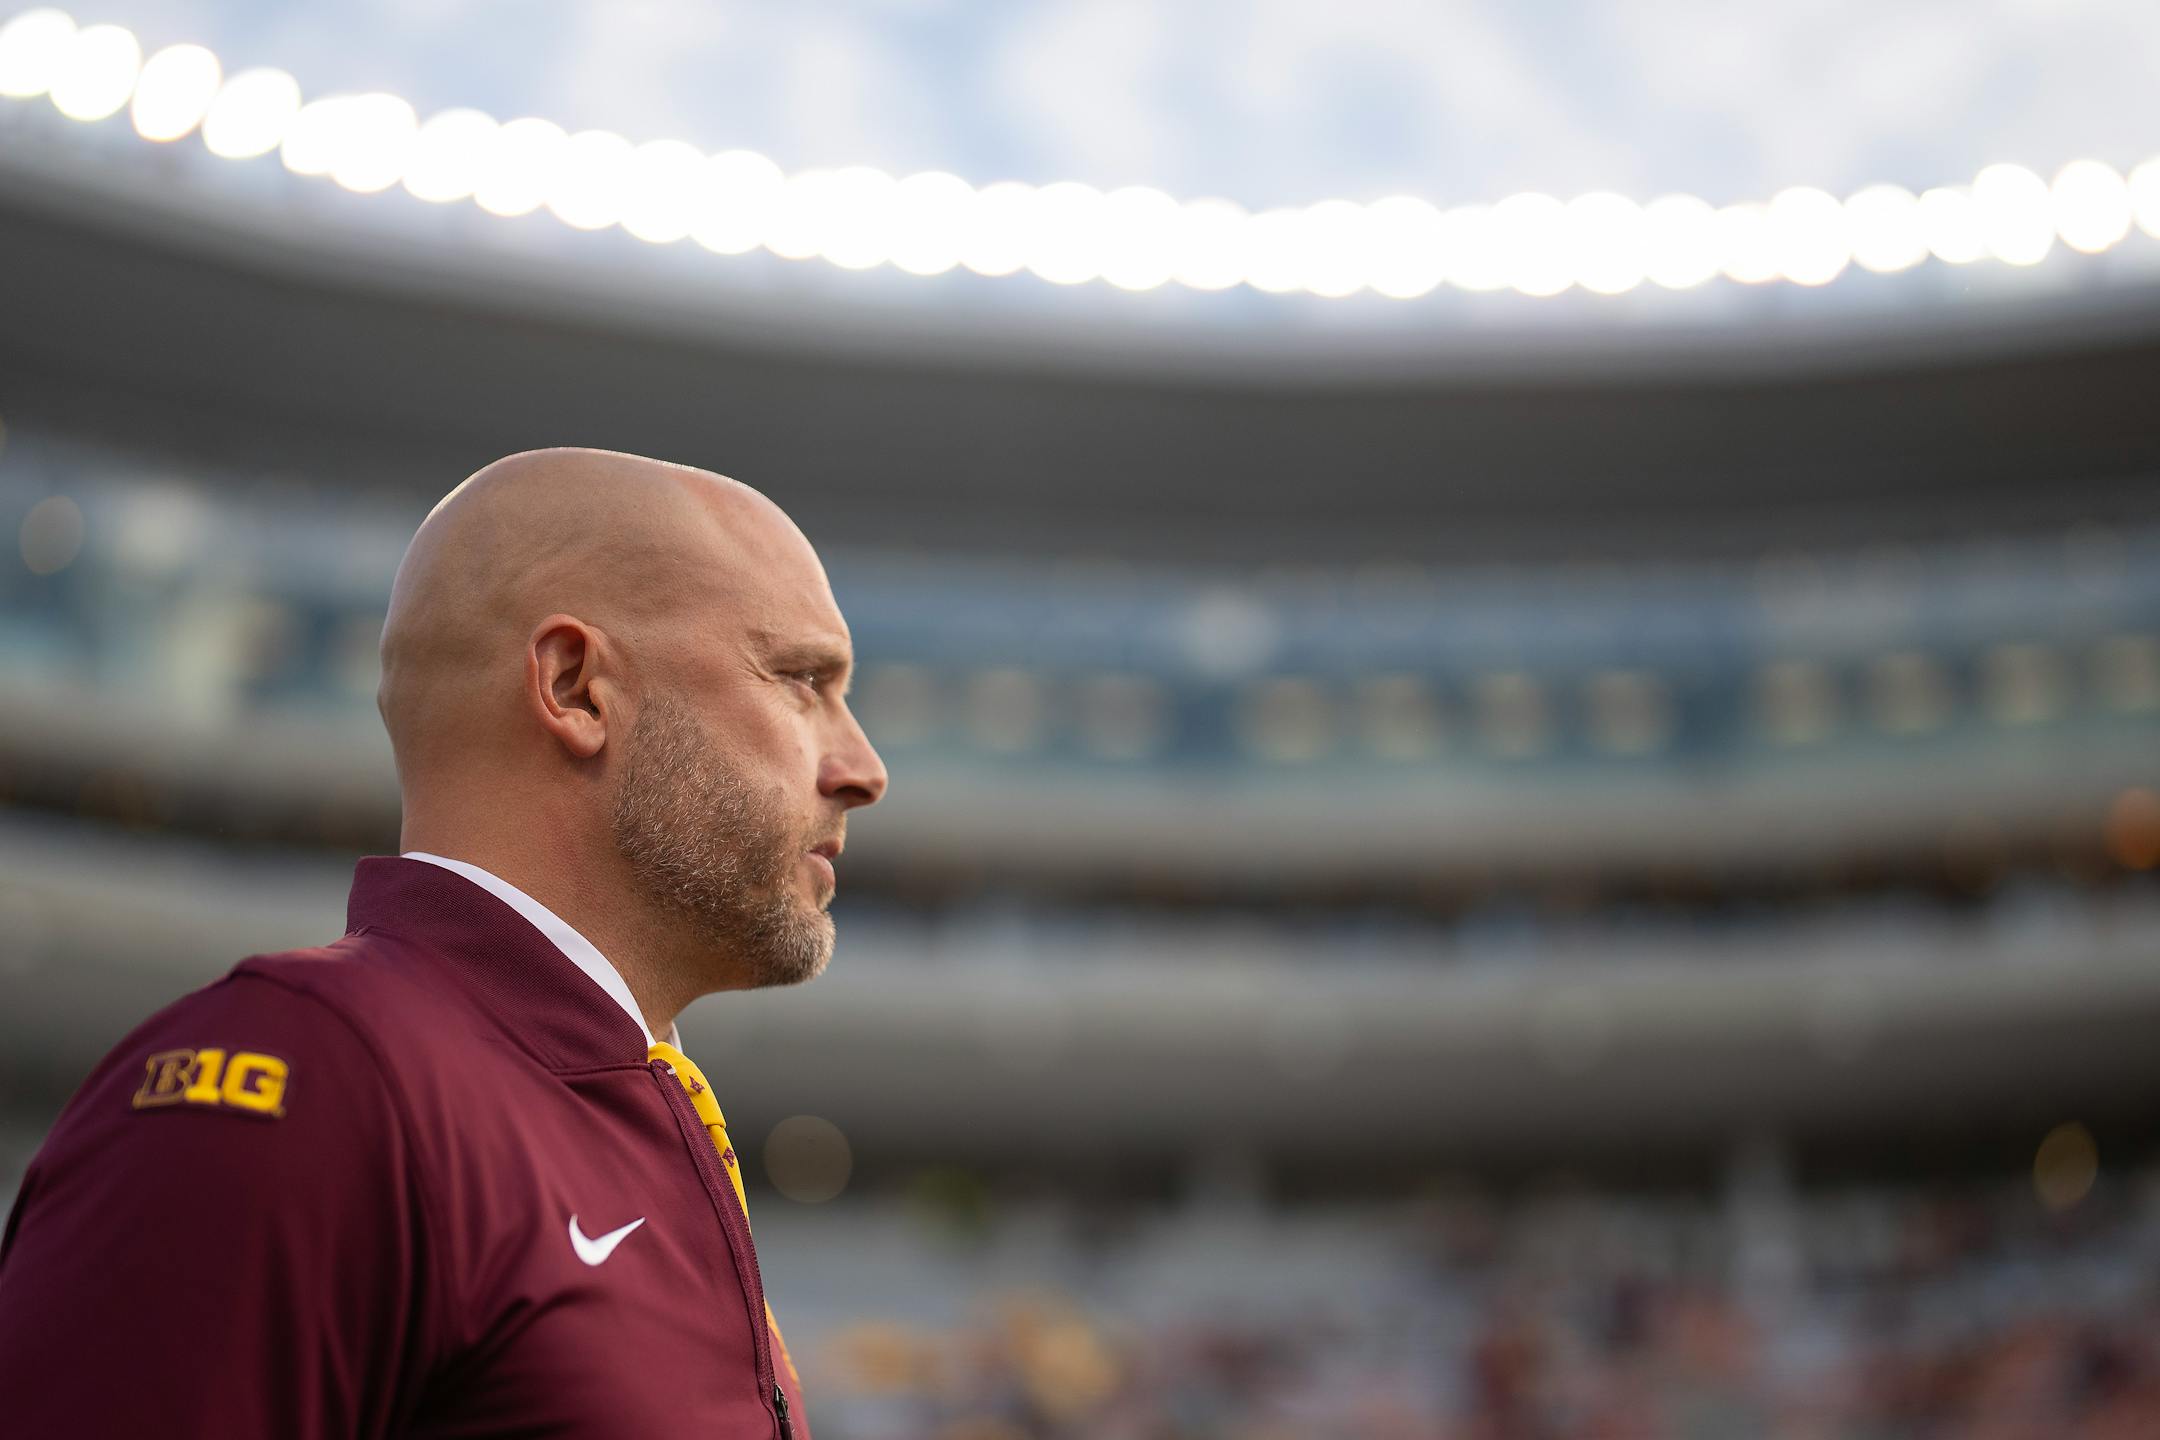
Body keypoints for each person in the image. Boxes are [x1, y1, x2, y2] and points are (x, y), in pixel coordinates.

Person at [0, 448, 888, 1438]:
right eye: (801, 680)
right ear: (576, 687)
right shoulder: (311, 1085)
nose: (863, 768)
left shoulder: (613, 1111)